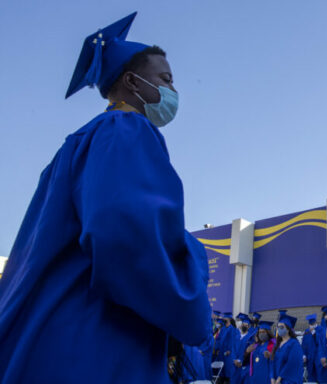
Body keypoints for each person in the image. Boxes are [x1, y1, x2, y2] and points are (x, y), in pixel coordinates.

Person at [0, 12, 212, 383]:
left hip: (47, 339)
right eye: (165, 80)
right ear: (132, 81)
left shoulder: (76, 146)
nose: (173, 92)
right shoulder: (126, 130)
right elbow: (127, 238)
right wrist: (193, 258)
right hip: (96, 345)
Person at [272, 314, 304, 384]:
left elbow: (291, 363)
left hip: (288, 380)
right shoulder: (277, 344)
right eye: (278, 327)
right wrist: (272, 378)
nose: (279, 329)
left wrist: (279, 378)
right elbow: (273, 361)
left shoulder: (294, 344)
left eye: (281, 327)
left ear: (288, 329)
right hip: (276, 380)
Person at [234, 313, 258, 384]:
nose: (244, 326)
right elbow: (232, 349)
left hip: (243, 365)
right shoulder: (236, 336)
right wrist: (234, 360)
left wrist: (241, 361)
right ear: (241, 325)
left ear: (249, 327)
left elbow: (249, 351)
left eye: (246, 325)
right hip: (234, 364)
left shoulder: (250, 338)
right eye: (243, 325)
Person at [220, 312, 240, 383]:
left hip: (229, 353)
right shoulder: (223, 329)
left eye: (224, 317)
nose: (223, 319)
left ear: (228, 319)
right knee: (221, 371)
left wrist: (230, 350)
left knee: (228, 371)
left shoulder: (233, 329)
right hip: (222, 353)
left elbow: (233, 341)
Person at [302, 314, 319, 382]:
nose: (311, 325)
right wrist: (303, 355)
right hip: (309, 359)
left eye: (313, 323)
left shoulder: (321, 330)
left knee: (320, 377)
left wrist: (314, 333)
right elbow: (303, 345)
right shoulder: (306, 331)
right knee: (311, 378)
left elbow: (321, 343)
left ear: (316, 322)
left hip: (318, 359)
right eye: (310, 324)